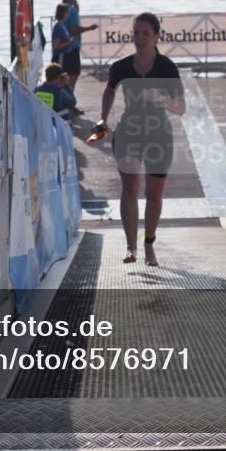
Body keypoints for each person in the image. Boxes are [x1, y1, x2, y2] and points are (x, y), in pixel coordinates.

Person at [96, 13, 185, 266]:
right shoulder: (121, 67)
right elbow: (109, 91)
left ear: (157, 36)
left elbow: (181, 107)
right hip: (129, 131)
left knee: (154, 195)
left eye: (145, 33)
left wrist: (162, 98)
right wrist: (103, 119)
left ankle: (148, 244)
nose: (140, 37)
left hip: (158, 134)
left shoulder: (166, 67)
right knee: (130, 187)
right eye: (136, 32)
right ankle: (130, 246)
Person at [61, 0, 99, 101]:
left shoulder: (61, 10)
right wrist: (89, 28)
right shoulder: (71, 11)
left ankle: (66, 98)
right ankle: (69, 99)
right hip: (72, 47)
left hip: (64, 47)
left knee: (66, 74)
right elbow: (74, 29)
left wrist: (77, 10)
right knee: (73, 74)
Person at [50, 3, 77, 70]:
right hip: (60, 57)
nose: (69, 14)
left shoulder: (62, 26)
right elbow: (55, 46)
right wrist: (69, 42)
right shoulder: (58, 27)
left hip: (65, 56)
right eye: (68, 12)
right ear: (64, 13)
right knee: (59, 75)